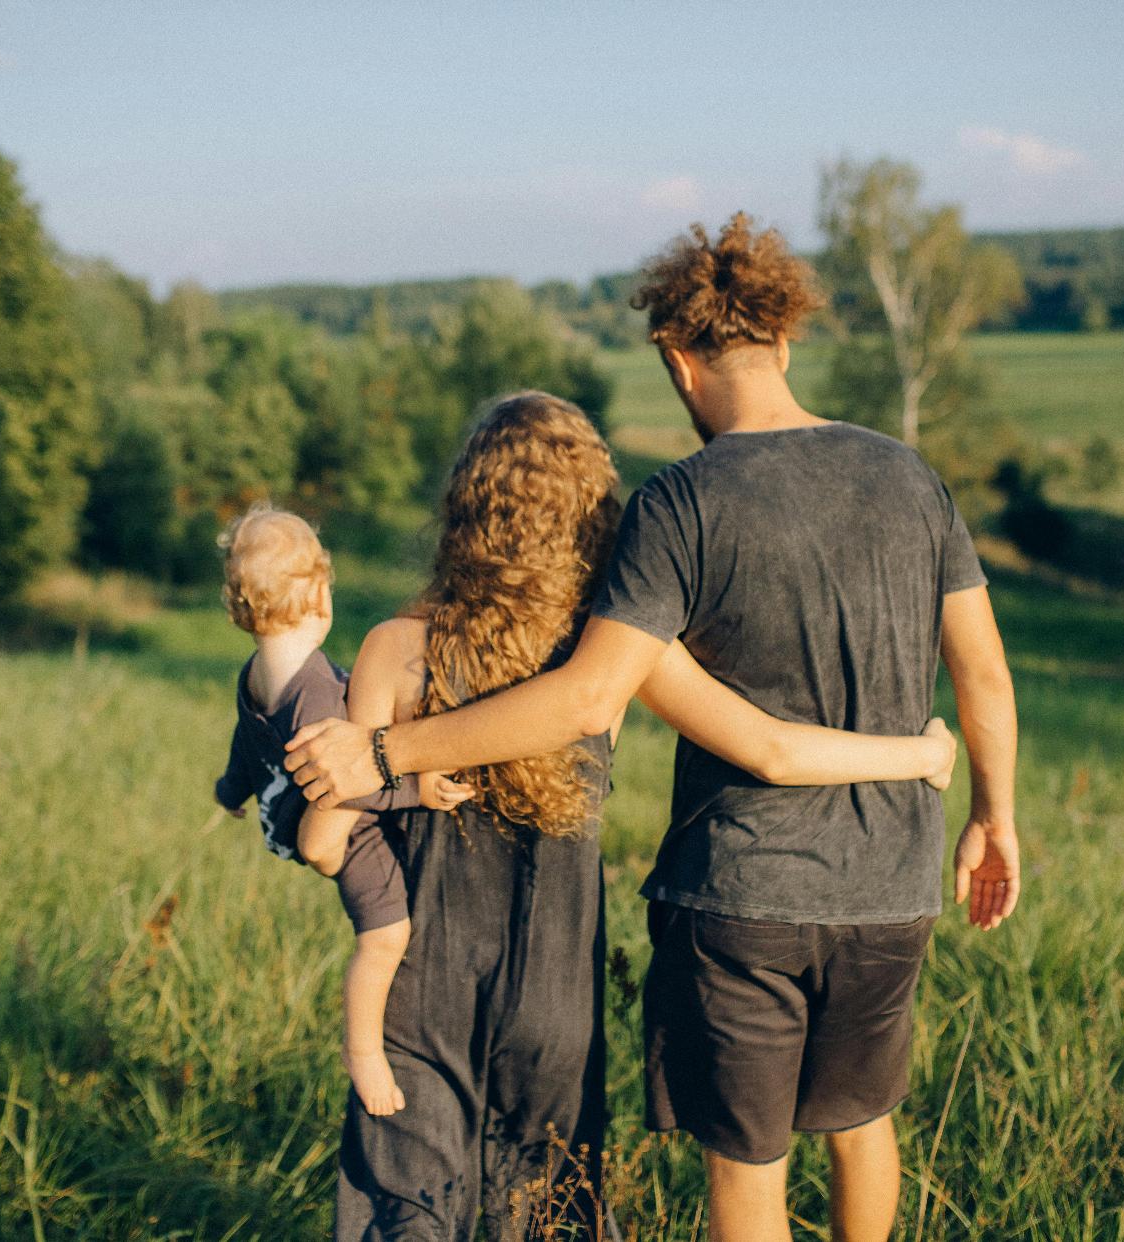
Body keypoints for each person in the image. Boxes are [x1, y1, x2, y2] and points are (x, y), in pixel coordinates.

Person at [285, 215, 1020, 1242]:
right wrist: (989, 807)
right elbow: (982, 667)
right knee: (864, 1125)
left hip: (745, 890)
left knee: (748, 1161)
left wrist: (384, 752)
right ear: (784, 340)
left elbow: (595, 697)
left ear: (678, 361)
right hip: (894, 880)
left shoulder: (683, 498)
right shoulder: (907, 474)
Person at [213, 506, 474, 1118]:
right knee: (385, 938)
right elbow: (349, 786)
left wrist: (231, 790)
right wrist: (417, 789)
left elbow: (244, 742)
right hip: (345, 835)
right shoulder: (318, 694)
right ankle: (363, 1051)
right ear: (320, 596)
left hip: (285, 814)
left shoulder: (255, 676)